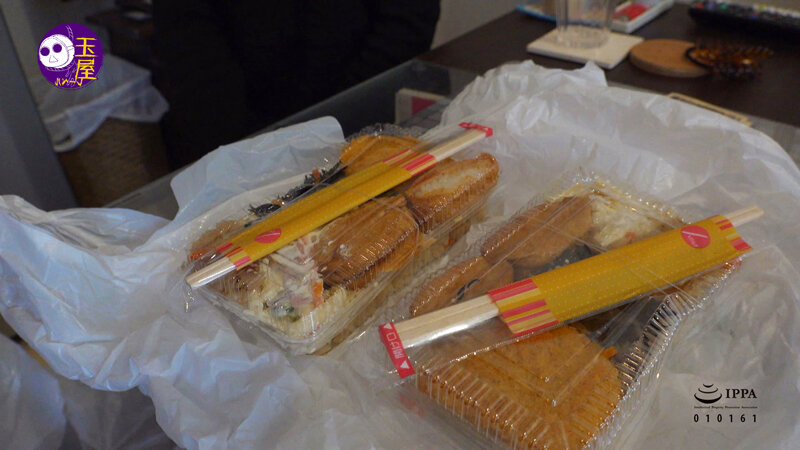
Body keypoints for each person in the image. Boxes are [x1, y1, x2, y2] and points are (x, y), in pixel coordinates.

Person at [153, 0, 440, 168]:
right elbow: (195, 64)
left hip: (369, 131)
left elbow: (406, 25)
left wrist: (336, 127)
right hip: (239, 144)